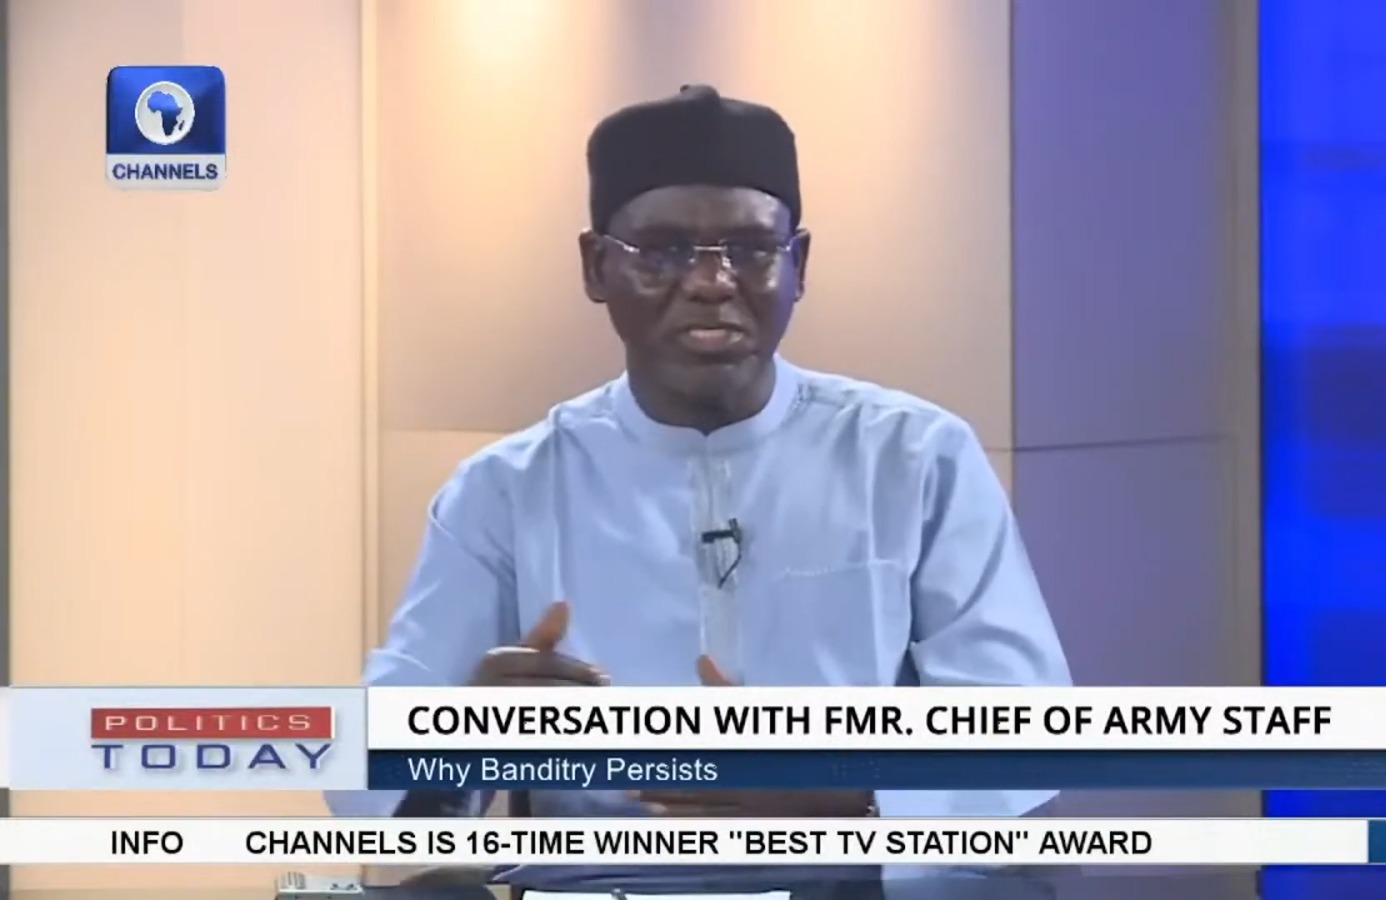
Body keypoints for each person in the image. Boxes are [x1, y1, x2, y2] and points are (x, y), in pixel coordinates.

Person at [327, 85, 1071, 899]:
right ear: (596, 267)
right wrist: (458, 734)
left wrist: (849, 797)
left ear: (798, 264)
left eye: (750, 249)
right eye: (664, 251)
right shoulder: (507, 491)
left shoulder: (916, 459)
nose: (713, 282)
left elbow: (1028, 737)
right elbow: (357, 780)